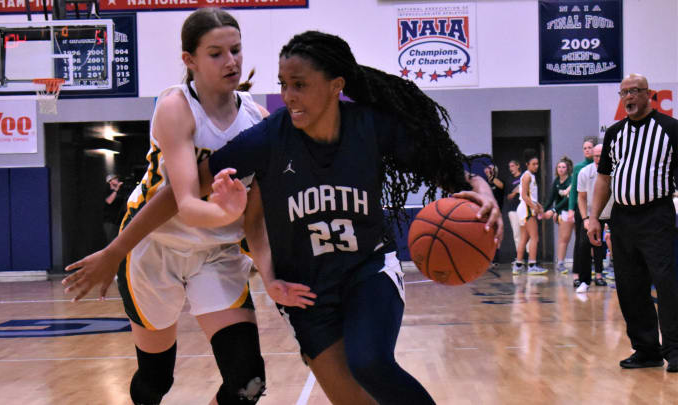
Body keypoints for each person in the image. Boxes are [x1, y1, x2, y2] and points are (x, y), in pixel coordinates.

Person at [63, 30, 503, 404]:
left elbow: (445, 162)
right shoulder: (271, 137)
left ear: (335, 85)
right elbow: (180, 193)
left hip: (367, 269)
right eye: (283, 84)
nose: (288, 96)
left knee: (371, 361)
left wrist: (481, 188)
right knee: (350, 398)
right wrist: (116, 249)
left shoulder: (370, 127)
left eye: (299, 84)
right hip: (304, 288)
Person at [68, 9, 280, 405]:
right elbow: (183, 202)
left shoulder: (257, 119)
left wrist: (270, 276)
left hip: (216, 254)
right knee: (155, 380)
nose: (231, 61)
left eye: (235, 50)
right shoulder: (176, 107)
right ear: (189, 60)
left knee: (248, 382)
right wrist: (115, 252)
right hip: (155, 246)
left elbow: (256, 221)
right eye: (216, 53)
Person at [587, 73, 678, 373]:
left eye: (635, 91)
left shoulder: (670, 129)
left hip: (657, 216)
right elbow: (604, 179)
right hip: (622, 218)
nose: (628, 97)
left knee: (667, 285)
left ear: (649, 94)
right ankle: (646, 349)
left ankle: (675, 351)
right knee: (629, 286)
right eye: (623, 92)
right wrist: (594, 218)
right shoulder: (614, 133)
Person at [575, 144, 610, 292]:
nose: (598, 159)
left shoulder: (614, 171)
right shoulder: (584, 172)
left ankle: (604, 275)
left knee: (618, 245)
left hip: (611, 214)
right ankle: (584, 281)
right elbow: (581, 198)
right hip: (592, 215)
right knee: (584, 244)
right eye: (595, 156)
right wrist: (585, 219)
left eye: (601, 156)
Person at [565, 137, 597, 285]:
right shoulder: (579, 168)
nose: (587, 150)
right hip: (582, 209)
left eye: (590, 147)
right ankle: (577, 275)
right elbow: (574, 191)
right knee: (580, 242)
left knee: (598, 243)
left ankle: (598, 274)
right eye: (585, 148)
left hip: (598, 209)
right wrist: (571, 209)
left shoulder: (600, 166)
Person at [512, 150, 547, 275]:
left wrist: (539, 205)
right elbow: (524, 196)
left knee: (524, 238)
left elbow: (531, 197)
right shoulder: (527, 176)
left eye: (537, 164)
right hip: (526, 208)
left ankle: (518, 265)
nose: (536, 166)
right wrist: (534, 207)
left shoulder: (531, 176)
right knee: (535, 237)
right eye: (534, 164)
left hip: (525, 208)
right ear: (527, 164)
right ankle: (532, 265)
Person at [541, 157, 573, 273]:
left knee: (581, 239)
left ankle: (591, 264)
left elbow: (567, 200)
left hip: (574, 211)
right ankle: (560, 263)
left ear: (567, 169)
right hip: (563, 213)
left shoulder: (571, 181)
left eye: (563, 167)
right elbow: (551, 198)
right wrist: (543, 211)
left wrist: (554, 210)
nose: (561, 169)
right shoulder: (556, 181)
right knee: (563, 239)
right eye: (559, 167)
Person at [505, 159, 523, 255]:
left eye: (512, 166)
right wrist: (514, 192)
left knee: (527, 233)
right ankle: (520, 258)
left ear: (518, 166)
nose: (511, 168)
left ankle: (530, 257)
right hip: (513, 209)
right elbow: (508, 196)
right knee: (517, 234)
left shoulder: (524, 177)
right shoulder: (509, 180)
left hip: (524, 209)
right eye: (509, 167)